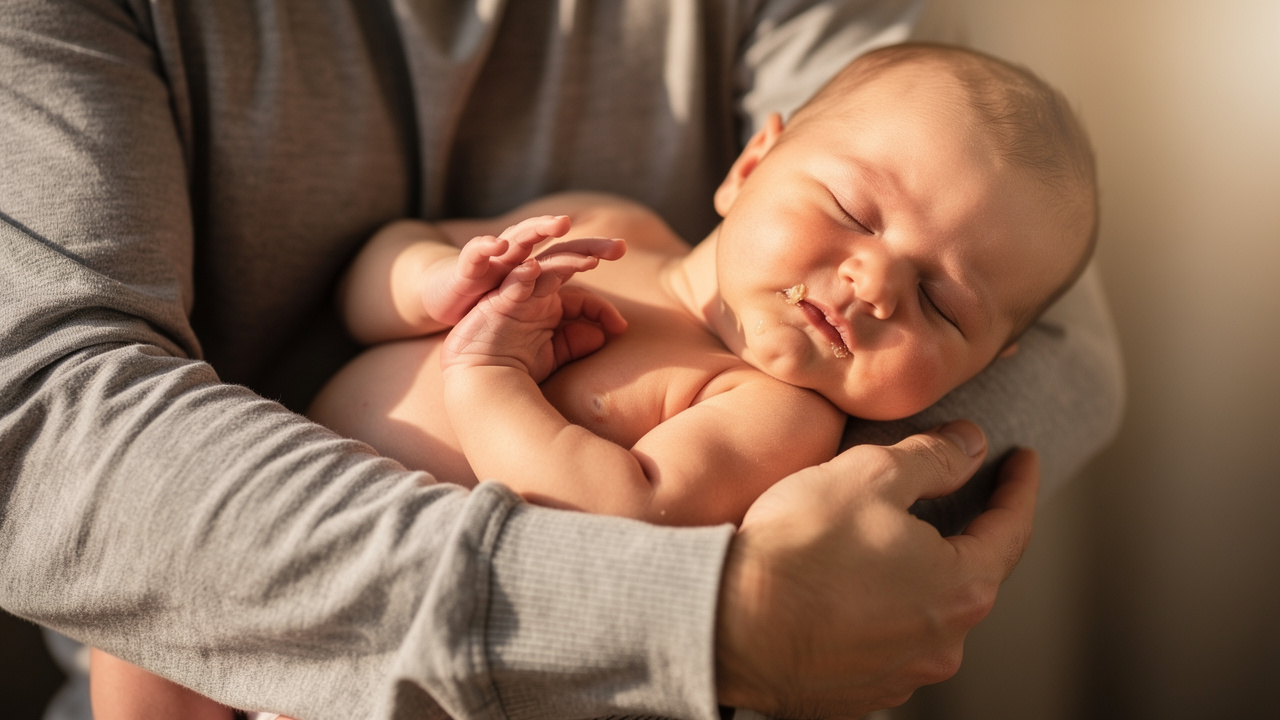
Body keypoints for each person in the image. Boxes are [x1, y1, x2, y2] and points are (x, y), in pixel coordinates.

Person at [0, 2, 1122, 719]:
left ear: (985, 355)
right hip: (250, 565)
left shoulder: (769, 413)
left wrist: (484, 375)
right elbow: (374, 271)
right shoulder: (612, 226)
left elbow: (615, 510)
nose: (874, 285)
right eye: (848, 213)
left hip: (440, 665)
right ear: (748, 165)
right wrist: (432, 284)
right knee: (143, 628)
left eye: (938, 301)